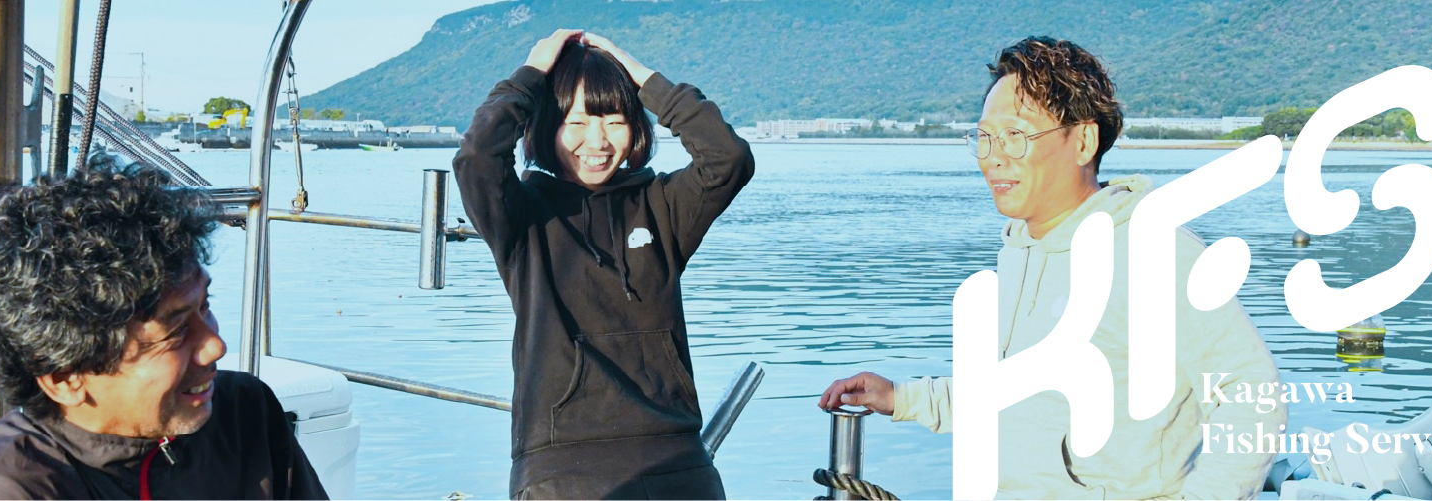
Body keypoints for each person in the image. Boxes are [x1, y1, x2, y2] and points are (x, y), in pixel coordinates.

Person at [818, 36, 1285, 500]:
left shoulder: (1151, 249)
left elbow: (1253, 397)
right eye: (985, 137)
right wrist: (900, 397)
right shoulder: (1022, 249)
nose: (993, 156)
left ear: (1083, 141)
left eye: (1016, 136)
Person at [454, 29, 755, 500]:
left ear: (636, 128)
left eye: (615, 121)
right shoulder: (522, 215)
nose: (597, 141)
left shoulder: (662, 206)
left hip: (675, 456)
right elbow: (477, 157)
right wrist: (530, 74)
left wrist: (640, 75)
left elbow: (728, 158)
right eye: (575, 122)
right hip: (559, 464)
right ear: (544, 127)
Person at [0, 155, 328, 500]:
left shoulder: (244, 415)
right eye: (175, 330)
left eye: (205, 306)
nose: (215, 345)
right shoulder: (10, 492)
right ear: (65, 378)